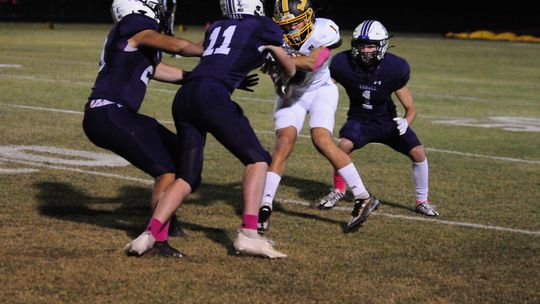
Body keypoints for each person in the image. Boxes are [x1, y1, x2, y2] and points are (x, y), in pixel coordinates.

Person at [124, 0, 297, 259]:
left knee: (187, 177)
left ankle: (150, 234)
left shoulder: (216, 26)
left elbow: (223, 55)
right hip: (212, 95)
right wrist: (279, 58)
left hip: (186, 95)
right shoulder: (264, 25)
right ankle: (249, 235)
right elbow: (291, 69)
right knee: (258, 160)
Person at [82, 0, 204, 243]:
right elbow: (178, 45)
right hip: (109, 112)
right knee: (165, 170)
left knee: (180, 150)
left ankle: (168, 219)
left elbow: (157, 70)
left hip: (115, 113)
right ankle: (158, 238)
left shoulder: (133, 34)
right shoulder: (135, 23)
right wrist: (210, 50)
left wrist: (203, 76)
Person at [257, 0, 379, 234]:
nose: (287, 30)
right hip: (292, 93)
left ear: (307, 18)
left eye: (292, 24)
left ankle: (363, 197)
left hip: (321, 90)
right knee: (283, 143)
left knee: (321, 140)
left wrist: (277, 57)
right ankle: (265, 205)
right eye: (284, 26)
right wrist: (273, 72)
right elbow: (273, 73)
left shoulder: (324, 29)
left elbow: (314, 62)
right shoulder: (274, 35)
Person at [319, 20, 439, 217]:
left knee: (418, 152)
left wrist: (405, 121)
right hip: (359, 120)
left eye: (371, 46)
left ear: (382, 45)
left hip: (387, 122)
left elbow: (410, 108)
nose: (366, 51)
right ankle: (338, 190)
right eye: (362, 45)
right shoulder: (343, 63)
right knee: (343, 146)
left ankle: (422, 201)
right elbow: (325, 87)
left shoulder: (395, 67)